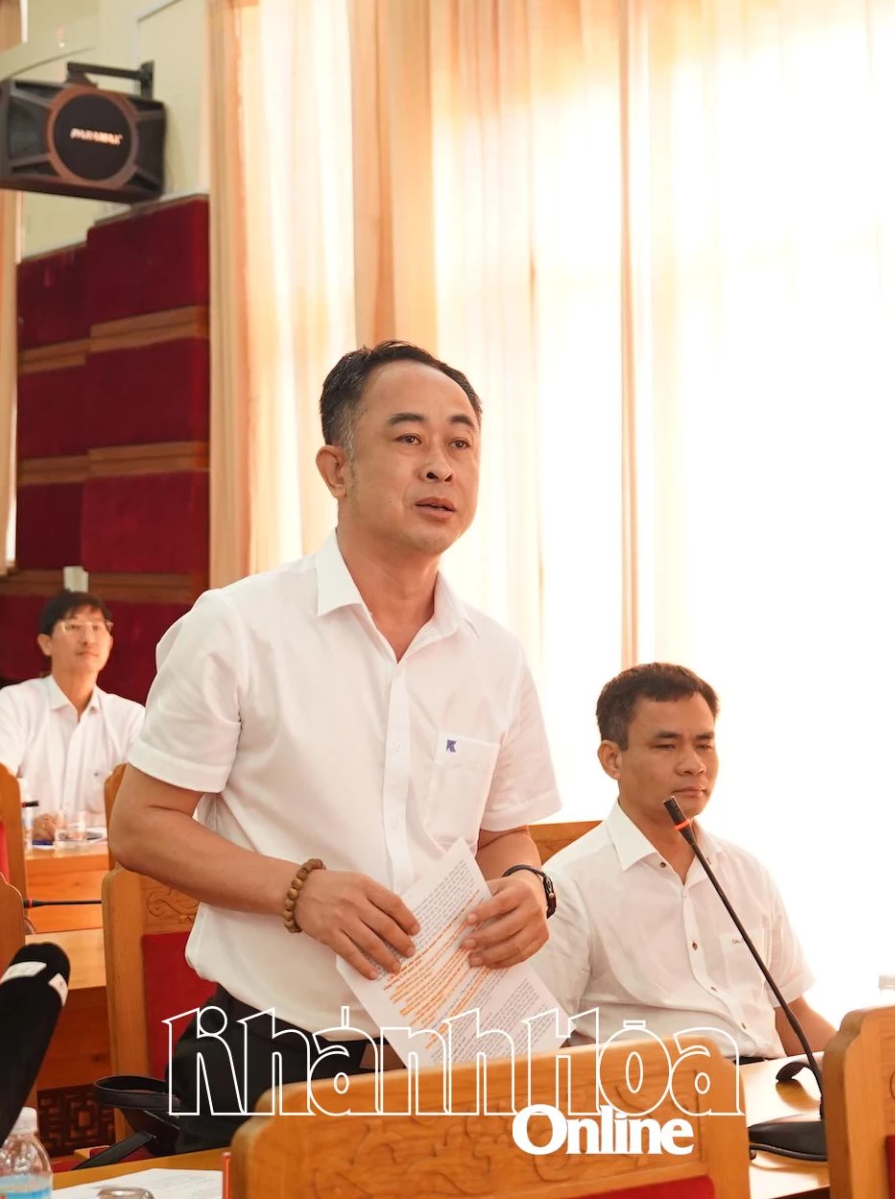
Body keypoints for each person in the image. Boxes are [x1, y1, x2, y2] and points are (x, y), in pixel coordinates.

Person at [111, 340, 562, 1151]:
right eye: (408, 437)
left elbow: (504, 835)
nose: (441, 465)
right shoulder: (239, 627)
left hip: (450, 1048)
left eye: (460, 443)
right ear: (337, 468)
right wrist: (301, 893)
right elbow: (141, 826)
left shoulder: (494, 656)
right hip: (267, 1050)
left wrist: (527, 886)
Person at [530, 663, 837, 1060]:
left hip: (770, 1085)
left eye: (704, 745)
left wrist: (866, 1067)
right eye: (667, 746)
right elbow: (540, 1045)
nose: (694, 764)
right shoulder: (567, 886)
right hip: (659, 1092)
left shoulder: (746, 872)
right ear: (612, 759)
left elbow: (793, 1017)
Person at [0, 592, 143, 833]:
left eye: (97, 627)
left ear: (110, 643)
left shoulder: (130, 718)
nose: (88, 639)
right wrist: (27, 826)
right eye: (73, 627)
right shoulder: (13, 704)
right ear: (46, 643)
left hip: (102, 856)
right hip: (27, 851)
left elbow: (143, 803)